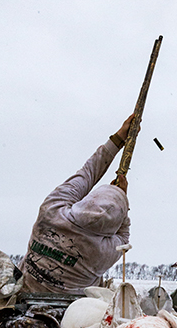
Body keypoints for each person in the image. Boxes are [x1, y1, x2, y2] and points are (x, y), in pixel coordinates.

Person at [19, 116, 134, 298]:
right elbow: (124, 236)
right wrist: (122, 200)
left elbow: (87, 173)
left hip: (24, 297)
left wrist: (119, 138)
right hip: (69, 314)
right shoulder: (102, 252)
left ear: (89, 198)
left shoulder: (52, 208)